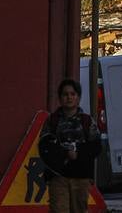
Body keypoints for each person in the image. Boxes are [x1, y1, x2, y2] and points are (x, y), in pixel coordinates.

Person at [37, 78, 101, 212]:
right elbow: (44, 147)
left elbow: (96, 146)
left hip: (81, 178)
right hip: (58, 177)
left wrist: (78, 154)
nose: (69, 97)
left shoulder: (87, 121)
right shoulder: (52, 121)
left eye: (72, 94)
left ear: (78, 98)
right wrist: (64, 153)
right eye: (65, 94)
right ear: (60, 98)